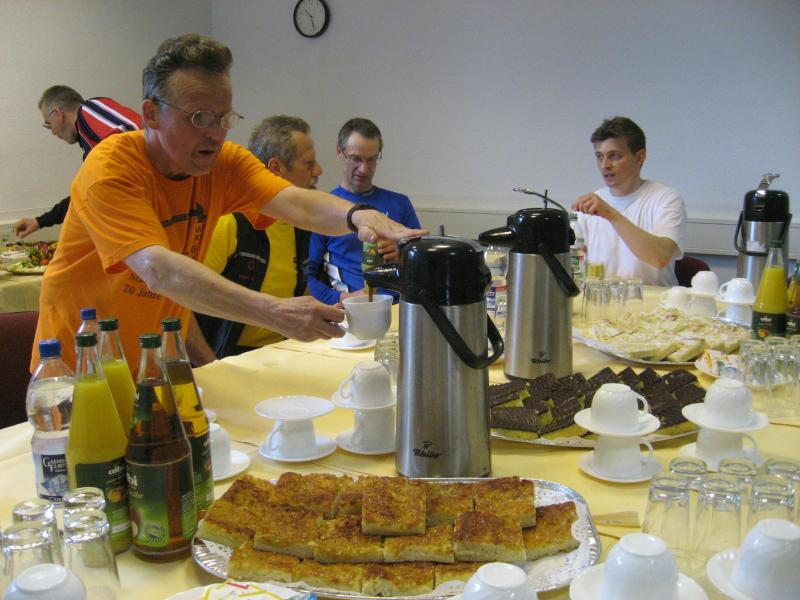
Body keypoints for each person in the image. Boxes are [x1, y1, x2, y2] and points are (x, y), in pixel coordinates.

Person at [31, 34, 424, 371]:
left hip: (153, 361)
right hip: (78, 363)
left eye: (224, 118)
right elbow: (159, 270)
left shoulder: (224, 163)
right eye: (199, 117)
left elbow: (296, 202)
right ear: (151, 114)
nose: (216, 133)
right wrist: (272, 311)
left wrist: (359, 215)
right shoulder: (110, 167)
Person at [190, 115, 323, 363]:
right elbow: (180, 306)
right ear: (276, 168)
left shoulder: (298, 224)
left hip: (286, 351)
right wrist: (213, 368)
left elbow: (302, 290)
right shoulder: (230, 223)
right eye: (308, 164)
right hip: (230, 357)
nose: (318, 171)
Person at [306, 118, 421, 304]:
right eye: (356, 159)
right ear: (339, 152)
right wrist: (343, 299)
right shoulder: (324, 208)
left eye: (371, 160)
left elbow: (422, 268)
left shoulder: (400, 203)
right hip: (350, 308)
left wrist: (400, 257)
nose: (364, 169)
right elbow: (306, 277)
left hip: (398, 307)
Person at [571, 116, 687, 287]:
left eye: (614, 156)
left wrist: (610, 214)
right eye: (599, 156)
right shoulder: (588, 205)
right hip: (603, 298)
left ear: (639, 157)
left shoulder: (666, 199)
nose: (604, 165)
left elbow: (660, 257)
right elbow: (573, 265)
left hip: (652, 300)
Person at [14, 86, 141, 239]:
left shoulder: (89, 111)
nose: (53, 132)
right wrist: (39, 221)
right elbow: (84, 194)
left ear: (58, 113)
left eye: (48, 124)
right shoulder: (90, 139)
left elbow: (134, 136)